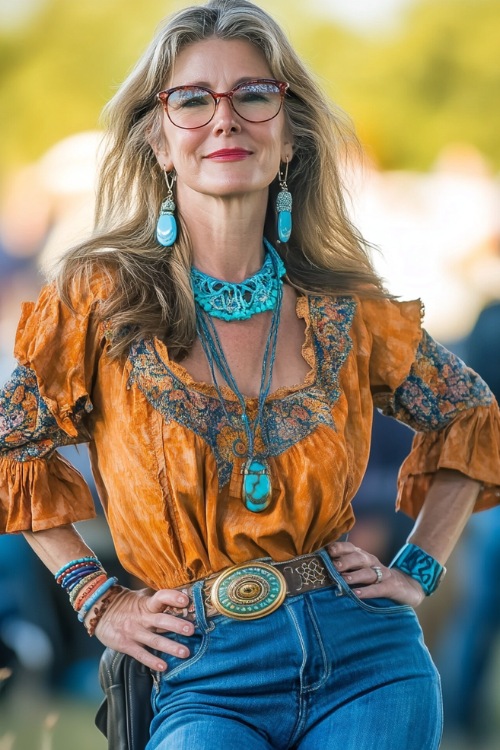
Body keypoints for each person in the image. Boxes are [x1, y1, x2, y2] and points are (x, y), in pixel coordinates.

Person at [1, 1, 499, 747]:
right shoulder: (104, 299)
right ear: (158, 139)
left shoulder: (345, 307)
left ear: (290, 131)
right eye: (192, 99)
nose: (224, 119)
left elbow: (471, 413)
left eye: (255, 95)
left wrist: (420, 564)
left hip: (370, 662)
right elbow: (12, 440)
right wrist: (96, 596)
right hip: (197, 671)